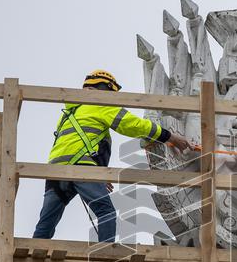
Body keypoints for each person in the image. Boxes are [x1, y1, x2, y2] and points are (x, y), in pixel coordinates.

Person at [32, 69, 192, 242]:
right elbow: (134, 125)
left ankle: (32, 256)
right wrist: (171, 137)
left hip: (55, 171)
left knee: (46, 222)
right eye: (111, 94)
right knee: (105, 212)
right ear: (104, 89)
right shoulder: (99, 103)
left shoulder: (70, 113)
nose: (113, 99)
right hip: (81, 166)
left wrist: (99, 171)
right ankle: (106, 253)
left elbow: (74, 144)